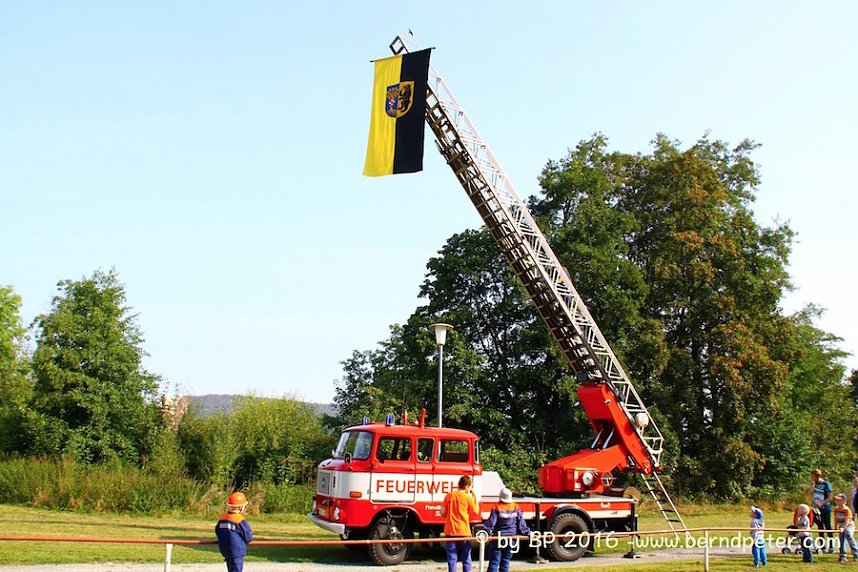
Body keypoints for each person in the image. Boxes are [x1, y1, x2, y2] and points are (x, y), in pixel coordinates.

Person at [483, 487, 531, 572]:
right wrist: (527, 532)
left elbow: (491, 523)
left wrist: (486, 532)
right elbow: (521, 523)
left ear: (500, 496)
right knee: (505, 562)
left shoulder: (497, 507)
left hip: (498, 538)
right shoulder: (515, 506)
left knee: (494, 563)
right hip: (511, 539)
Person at [442, 475, 480, 572]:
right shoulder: (467, 498)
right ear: (466, 486)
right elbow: (476, 511)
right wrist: (475, 496)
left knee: (452, 559)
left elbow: (442, 512)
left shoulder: (449, 495)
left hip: (450, 531)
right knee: (466, 558)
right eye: (470, 486)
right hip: (464, 532)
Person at [215, 492, 254, 572]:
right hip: (237, 552)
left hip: (226, 551)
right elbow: (249, 536)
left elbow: (217, 531)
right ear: (240, 507)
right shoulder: (239, 519)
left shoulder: (222, 518)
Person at [810, 468, 834, 553]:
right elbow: (811, 493)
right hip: (816, 508)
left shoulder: (826, 484)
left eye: (813, 477)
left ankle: (831, 546)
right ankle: (823, 546)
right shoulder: (814, 484)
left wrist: (822, 503)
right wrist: (813, 485)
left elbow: (830, 497)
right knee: (820, 526)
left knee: (827, 526)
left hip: (825, 508)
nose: (812, 478)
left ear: (818, 476)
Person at [834, 493, 858, 563]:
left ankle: (856, 554)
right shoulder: (836, 509)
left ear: (844, 502)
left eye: (839, 500)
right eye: (837, 500)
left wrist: (843, 528)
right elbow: (835, 518)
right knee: (841, 539)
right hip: (841, 526)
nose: (837, 502)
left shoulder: (847, 510)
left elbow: (847, 520)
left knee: (848, 535)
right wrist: (835, 527)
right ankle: (842, 556)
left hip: (849, 526)